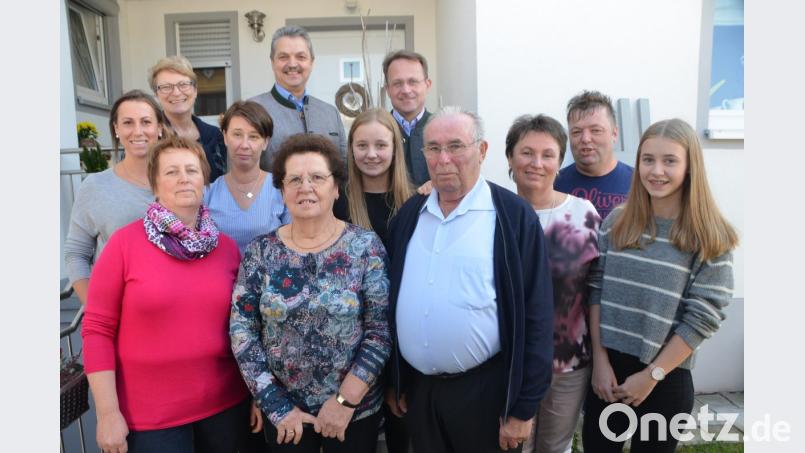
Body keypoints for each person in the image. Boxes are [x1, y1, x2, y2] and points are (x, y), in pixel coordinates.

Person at [385, 106, 554, 453]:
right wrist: (395, 379)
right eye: (433, 148)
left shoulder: (512, 217)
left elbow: (537, 316)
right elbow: (391, 303)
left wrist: (522, 408)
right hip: (421, 394)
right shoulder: (410, 216)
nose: (443, 158)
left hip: (485, 395)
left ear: (482, 150)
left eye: (456, 146)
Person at [82, 136, 261, 453]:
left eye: (192, 170)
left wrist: (257, 394)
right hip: (151, 419)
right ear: (155, 184)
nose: (183, 178)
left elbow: (247, 328)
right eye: (171, 172)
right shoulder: (124, 246)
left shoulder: (226, 249)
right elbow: (97, 331)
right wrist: (107, 413)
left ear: (204, 181)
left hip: (225, 407)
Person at [581, 119, 738, 452]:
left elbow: (703, 317)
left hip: (665, 380)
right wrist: (600, 361)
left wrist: (651, 376)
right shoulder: (617, 223)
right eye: (648, 159)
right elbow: (595, 289)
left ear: (690, 166)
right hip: (607, 374)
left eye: (670, 160)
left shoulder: (710, 236)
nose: (656, 171)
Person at [230, 133, 391, 453]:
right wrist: (275, 405)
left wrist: (344, 402)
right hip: (286, 417)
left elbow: (380, 332)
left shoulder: (365, 247)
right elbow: (242, 331)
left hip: (353, 413)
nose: (306, 186)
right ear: (282, 190)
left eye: (317, 177)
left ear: (335, 188)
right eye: (295, 179)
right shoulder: (260, 252)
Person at [504, 114, 601, 453]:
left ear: (560, 162)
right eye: (527, 152)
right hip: (509, 363)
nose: (537, 163)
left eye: (548, 154)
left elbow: (594, 290)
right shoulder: (496, 213)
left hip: (568, 362)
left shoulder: (582, 213)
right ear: (510, 158)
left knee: (556, 447)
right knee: (513, 446)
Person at [332, 108, 414, 453]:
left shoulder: (416, 203)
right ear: (350, 149)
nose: (371, 154)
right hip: (354, 341)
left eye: (381, 145)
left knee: (402, 433)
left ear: (395, 149)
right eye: (362, 145)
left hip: (403, 338)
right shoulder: (337, 204)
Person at [64, 90, 166, 305]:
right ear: (116, 129)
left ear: (159, 128)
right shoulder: (95, 187)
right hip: (118, 311)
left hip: (173, 310)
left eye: (146, 122)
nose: (137, 131)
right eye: (128, 122)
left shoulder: (180, 183)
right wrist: (96, 308)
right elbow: (76, 254)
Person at [250, 25, 347, 170]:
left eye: (301, 57)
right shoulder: (253, 110)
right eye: (283, 57)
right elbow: (243, 174)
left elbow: (343, 169)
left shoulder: (330, 113)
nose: (293, 64)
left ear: (311, 62)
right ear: (272, 62)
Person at [205, 101, 290, 254]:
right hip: (221, 277)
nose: (244, 145)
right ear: (225, 137)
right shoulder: (208, 193)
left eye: (253, 136)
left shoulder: (282, 190)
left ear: (265, 142)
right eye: (237, 134)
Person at [554, 90, 633, 219]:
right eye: (576, 132)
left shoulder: (640, 184)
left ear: (614, 134)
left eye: (596, 130)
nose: (585, 139)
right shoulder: (554, 185)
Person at [149, 55, 228, 182]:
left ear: (195, 90)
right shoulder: (151, 137)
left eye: (183, 84)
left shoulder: (215, 135)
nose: (176, 92)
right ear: (156, 94)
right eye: (166, 87)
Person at [382, 50, 433, 186]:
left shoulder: (443, 129)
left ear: (427, 85)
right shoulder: (378, 130)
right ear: (387, 89)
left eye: (413, 82)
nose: (405, 90)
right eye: (397, 83)